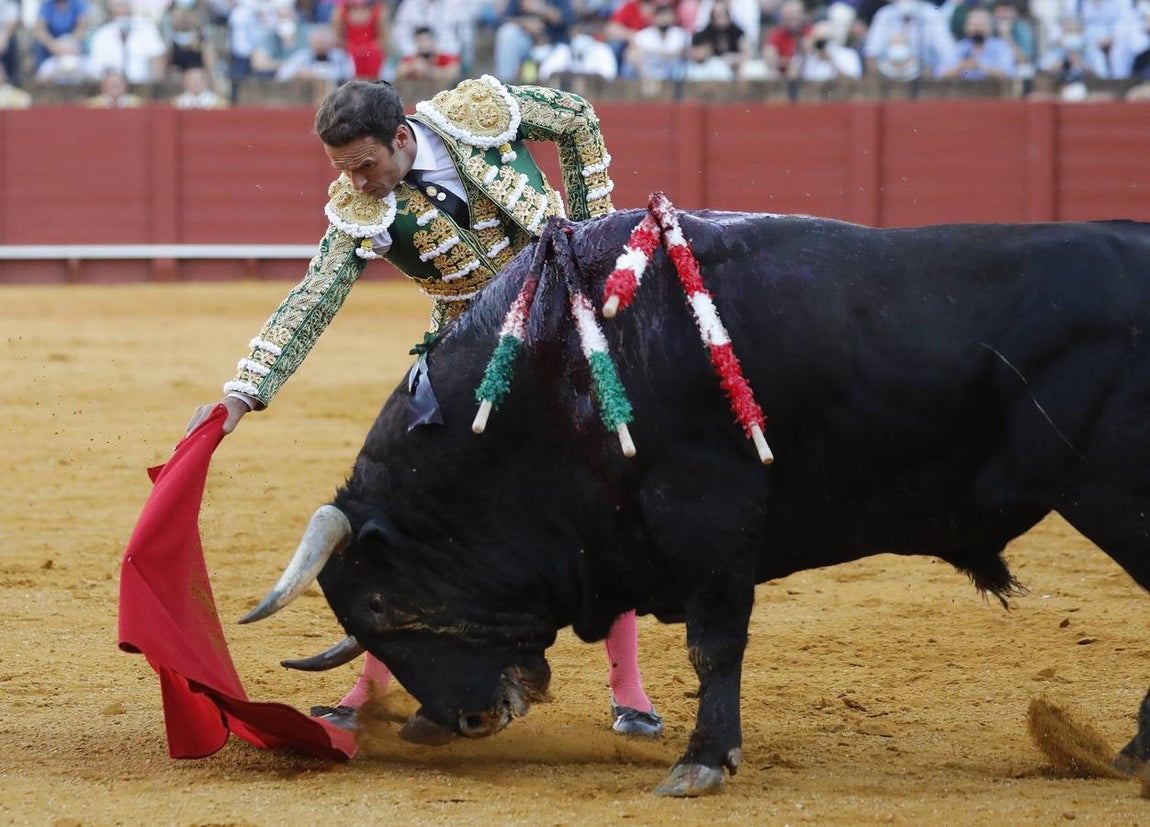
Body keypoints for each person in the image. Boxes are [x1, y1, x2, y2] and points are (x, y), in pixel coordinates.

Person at [185, 77, 663, 739]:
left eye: (365, 165)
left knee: (600, 500)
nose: (356, 182)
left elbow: (578, 117)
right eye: (343, 170)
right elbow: (314, 297)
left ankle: (629, 691)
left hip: (559, 338)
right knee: (411, 519)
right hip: (462, 355)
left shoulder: (480, 115)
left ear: (402, 139)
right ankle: (374, 682)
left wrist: (591, 236)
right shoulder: (361, 211)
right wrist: (242, 392)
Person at [863, 0, 958, 80]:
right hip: (887, 78)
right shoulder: (884, 15)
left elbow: (948, 57)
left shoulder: (932, 15)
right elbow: (871, 55)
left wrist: (934, 74)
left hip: (925, 80)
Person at [492, 0, 576, 82]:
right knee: (508, 32)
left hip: (553, 46)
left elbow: (569, 19)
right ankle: (504, 85)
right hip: (527, 45)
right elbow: (500, 22)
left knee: (561, 56)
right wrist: (524, 23)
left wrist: (543, 9)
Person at [87, 0, 168, 85]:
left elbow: (158, 57)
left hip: (142, 85)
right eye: (119, 14)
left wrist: (156, 84)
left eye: (126, 14)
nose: (123, 18)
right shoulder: (102, 35)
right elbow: (96, 67)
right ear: (112, 15)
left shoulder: (146, 29)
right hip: (112, 88)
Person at [939, 6, 1016, 78]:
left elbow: (1008, 73)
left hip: (995, 91)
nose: (977, 29)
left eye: (981, 25)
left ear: (990, 27)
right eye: (973, 25)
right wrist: (960, 68)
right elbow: (940, 74)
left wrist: (980, 67)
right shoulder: (959, 48)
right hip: (964, 91)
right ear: (966, 27)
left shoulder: (1001, 47)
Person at [624, 1, 689, 79]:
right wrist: (644, 72)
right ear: (654, 18)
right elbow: (630, 55)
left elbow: (687, 54)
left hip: (671, 74)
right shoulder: (644, 35)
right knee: (628, 67)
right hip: (647, 73)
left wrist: (656, 53)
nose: (664, 19)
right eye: (660, 15)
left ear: (673, 17)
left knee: (680, 69)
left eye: (666, 15)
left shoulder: (680, 35)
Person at [275, 23, 355, 82]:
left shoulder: (339, 56)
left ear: (331, 42)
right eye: (317, 42)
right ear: (311, 42)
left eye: (323, 41)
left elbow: (349, 75)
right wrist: (297, 73)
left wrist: (318, 74)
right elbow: (282, 75)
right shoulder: (302, 55)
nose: (320, 45)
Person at [787, 17, 863, 79]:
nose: (823, 44)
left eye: (826, 40)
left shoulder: (848, 54)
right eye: (819, 40)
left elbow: (853, 84)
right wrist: (803, 55)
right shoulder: (807, 56)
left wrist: (831, 61)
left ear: (834, 39)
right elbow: (791, 79)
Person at [330, 0, 388, 80]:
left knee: (373, 53)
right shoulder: (341, 11)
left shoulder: (378, 10)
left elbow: (383, 38)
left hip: (371, 52)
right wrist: (352, 48)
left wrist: (367, 48)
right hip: (348, 50)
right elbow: (337, 37)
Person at [32, 0, 90, 71]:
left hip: (73, 43)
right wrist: (54, 46)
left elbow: (82, 26)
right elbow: (40, 29)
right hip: (52, 45)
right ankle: (41, 74)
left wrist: (70, 44)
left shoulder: (78, 3)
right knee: (37, 44)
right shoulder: (46, 5)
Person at [393, 25, 463, 83]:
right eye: (419, 40)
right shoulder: (412, 59)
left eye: (426, 40)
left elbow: (454, 73)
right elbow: (398, 73)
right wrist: (412, 68)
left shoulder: (443, 57)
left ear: (433, 40)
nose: (423, 44)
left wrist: (428, 71)